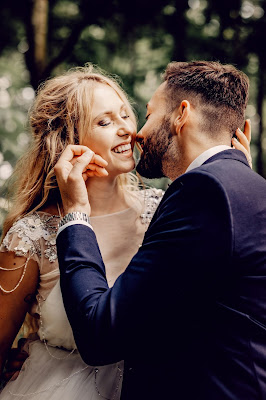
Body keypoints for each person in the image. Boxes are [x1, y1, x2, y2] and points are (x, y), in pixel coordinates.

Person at [54, 61, 266, 400]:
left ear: (181, 114)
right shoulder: (247, 189)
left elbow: (99, 336)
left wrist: (76, 213)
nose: (138, 131)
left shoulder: (205, 193)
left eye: (147, 115)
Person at [0, 65, 166, 399]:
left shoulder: (162, 211)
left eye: (124, 115)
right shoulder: (32, 235)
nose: (125, 129)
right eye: (104, 122)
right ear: (68, 141)